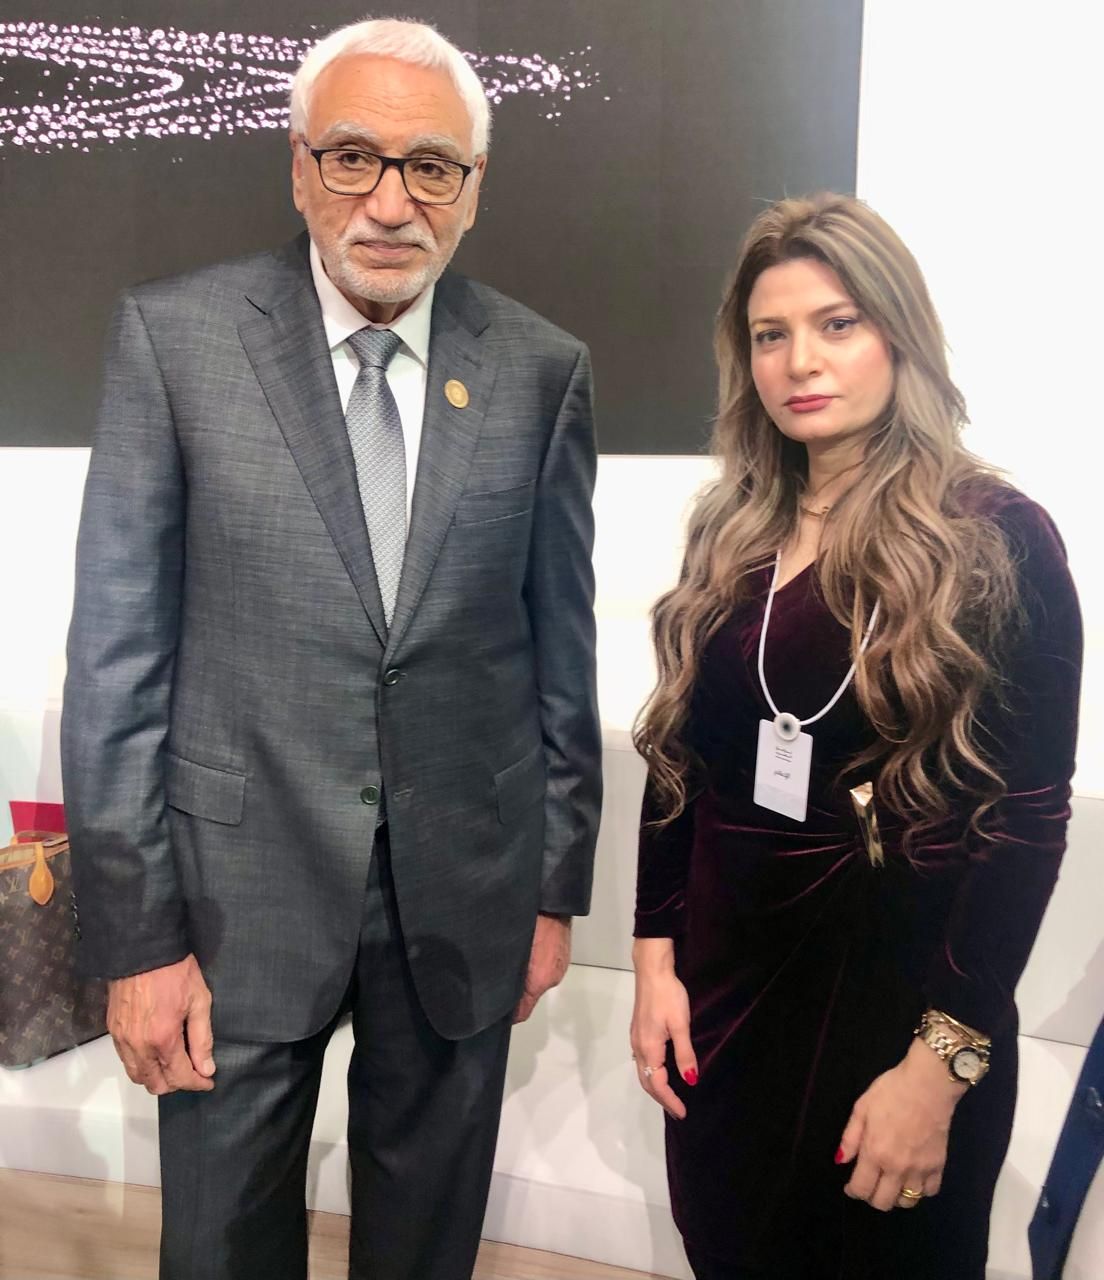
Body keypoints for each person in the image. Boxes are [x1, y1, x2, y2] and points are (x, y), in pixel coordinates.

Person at [60, 17, 601, 1280]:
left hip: (462, 891)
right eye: (355, 157)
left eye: (432, 167)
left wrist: (551, 887)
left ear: (473, 187)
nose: (391, 203)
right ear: (300, 167)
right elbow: (117, 666)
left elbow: (558, 654)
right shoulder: (176, 341)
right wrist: (138, 938)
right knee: (220, 1247)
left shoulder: (541, 370)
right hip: (230, 901)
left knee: (425, 1248)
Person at [629, 193, 1082, 1279]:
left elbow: (1025, 822)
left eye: (837, 323)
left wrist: (941, 1066)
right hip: (728, 997)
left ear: (899, 334)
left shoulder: (995, 539)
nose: (800, 361)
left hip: (899, 1005)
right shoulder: (731, 526)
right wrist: (654, 958)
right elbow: (679, 759)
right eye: (769, 334)